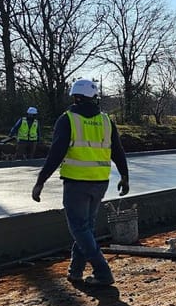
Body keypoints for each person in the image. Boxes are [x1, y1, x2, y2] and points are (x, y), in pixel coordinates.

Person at [31, 79, 130, 286]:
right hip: (100, 182)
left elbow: (56, 154)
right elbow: (118, 151)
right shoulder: (106, 121)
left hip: (77, 183)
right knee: (87, 227)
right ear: (93, 98)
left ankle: (102, 271)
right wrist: (124, 176)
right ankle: (76, 270)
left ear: (75, 97)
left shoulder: (67, 120)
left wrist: (40, 181)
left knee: (79, 228)